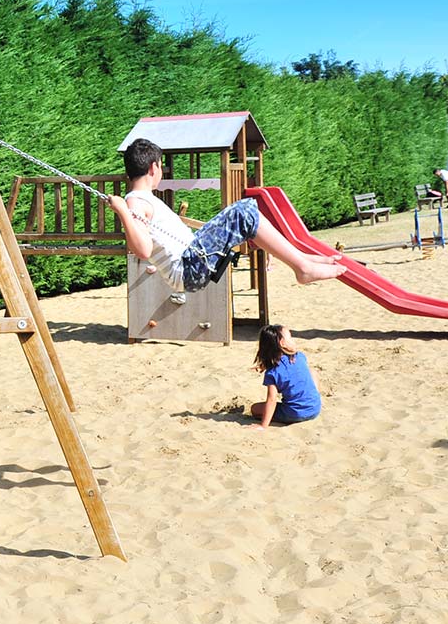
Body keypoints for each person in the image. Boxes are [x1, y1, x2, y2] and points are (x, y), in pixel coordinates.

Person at [108, 139, 346, 294]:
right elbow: (143, 250)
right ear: (153, 168)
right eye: (161, 166)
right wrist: (122, 212)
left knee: (245, 212)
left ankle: (301, 259)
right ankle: (302, 267)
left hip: (192, 258)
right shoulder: (135, 202)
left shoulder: (143, 199)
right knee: (244, 211)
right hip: (189, 267)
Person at [250, 324, 322, 429]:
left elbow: (272, 399)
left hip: (295, 413)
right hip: (315, 409)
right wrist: (265, 365)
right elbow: (290, 369)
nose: (293, 340)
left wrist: (263, 425)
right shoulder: (300, 356)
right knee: (313, 372)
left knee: (255, 409)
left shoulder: (273, 373)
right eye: (290, 337)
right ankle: (314, 398)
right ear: (282, 343)